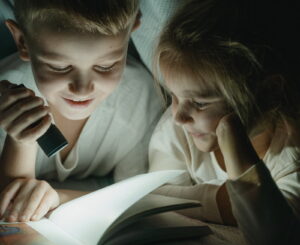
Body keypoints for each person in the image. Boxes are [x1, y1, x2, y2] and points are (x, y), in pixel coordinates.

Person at [148, 0, 300, 244]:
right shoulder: (178, 131)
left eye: (200, 103)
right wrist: (223, 203)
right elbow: (153, 196)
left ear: (269, 93)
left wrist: (236, 148)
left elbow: (272, 237)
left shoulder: (291, 155)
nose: (178, 116)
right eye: (174, 96)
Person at [0, 0, 163, 223]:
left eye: (106, 66)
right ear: (22, 41)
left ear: (133, 28)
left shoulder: (141, 100)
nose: (82, 89)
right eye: (59, 67)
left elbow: (137, 199)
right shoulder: (6, 102)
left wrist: (59, 197)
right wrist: (20, 143)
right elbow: (10, 208)